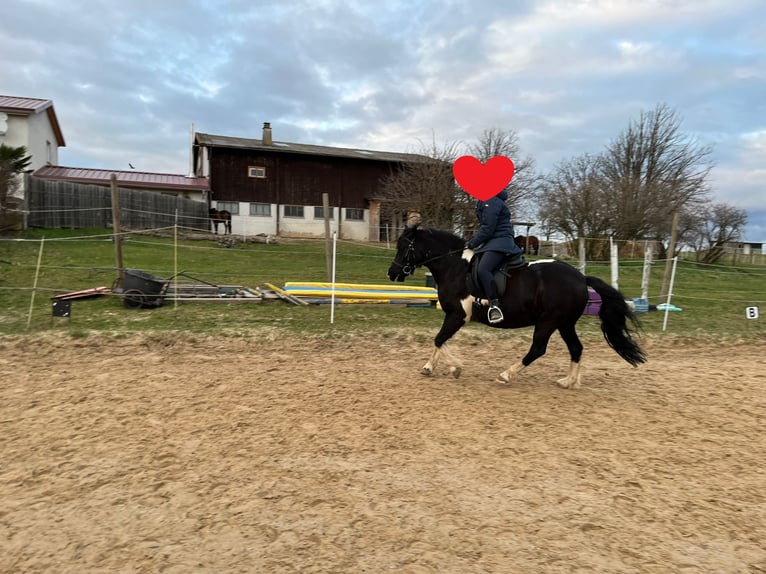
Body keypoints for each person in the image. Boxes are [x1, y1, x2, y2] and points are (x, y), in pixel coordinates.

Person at [465, 189, 522, 324]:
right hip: (493, 242)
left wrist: (472, 243)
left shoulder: (491, 201)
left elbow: (488, 228)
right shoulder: (487, 200)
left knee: (483, 269)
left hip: (500, 242)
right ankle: (478, 301)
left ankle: (495, 306)